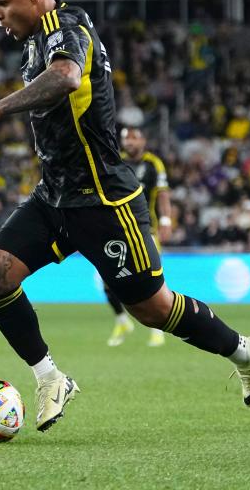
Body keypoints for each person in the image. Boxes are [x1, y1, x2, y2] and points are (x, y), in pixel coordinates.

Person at [0, 0, 250, 433]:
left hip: (104, 199)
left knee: (152, 308)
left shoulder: (69, 28)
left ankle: (246, 352)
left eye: (1, 2)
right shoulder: (32, 44)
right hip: (55, 196)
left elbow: (65, 78)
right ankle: (50, 378)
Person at [105, 126, 173, 348]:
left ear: (143, 140)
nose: (130, 143)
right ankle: (122, 321)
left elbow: (162, 193)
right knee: (107, 279)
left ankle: (157, 330)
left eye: (134, 138)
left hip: (146, 229)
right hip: (117, 229)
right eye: (126, 139)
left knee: (148, 279)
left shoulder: (153, 163)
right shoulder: (116, 162)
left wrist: (165, 220)